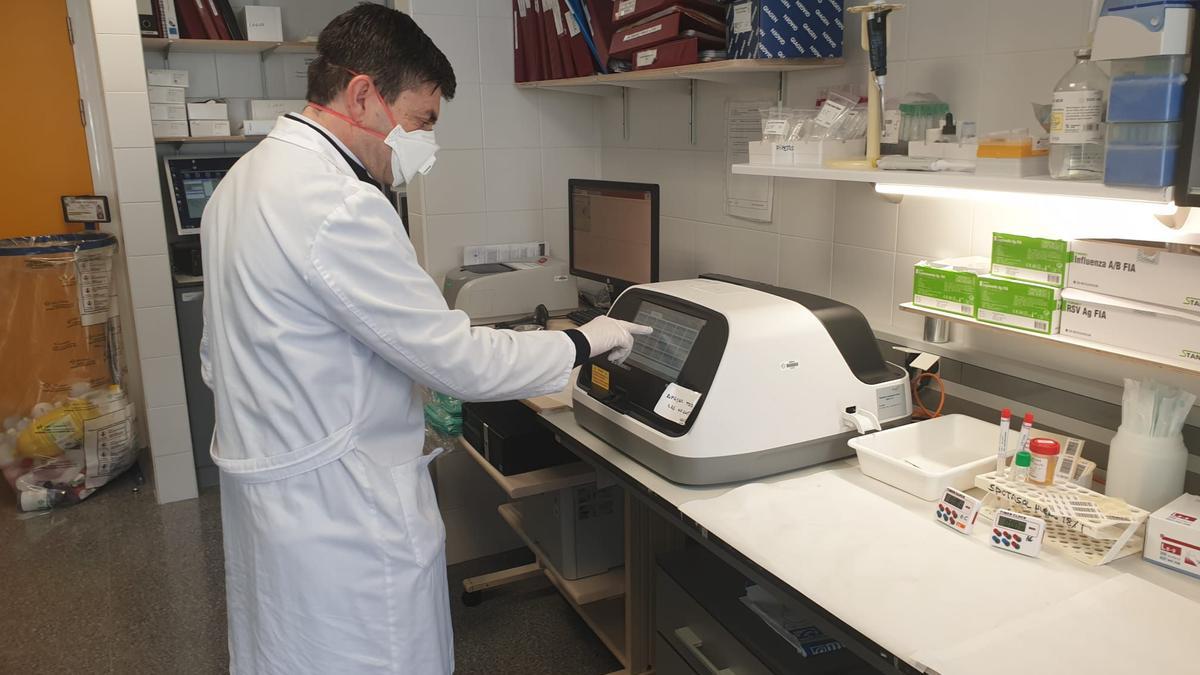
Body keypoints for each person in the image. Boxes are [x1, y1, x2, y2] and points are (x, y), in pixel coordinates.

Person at [199, 5, 649, 673]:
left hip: (274, 493)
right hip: (343, 517)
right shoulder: (340, 203)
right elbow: (459, 360)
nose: (425, 145)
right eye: (422, 120)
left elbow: (219, 361)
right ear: (362, 95)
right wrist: (584, 342)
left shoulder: (244, 182)